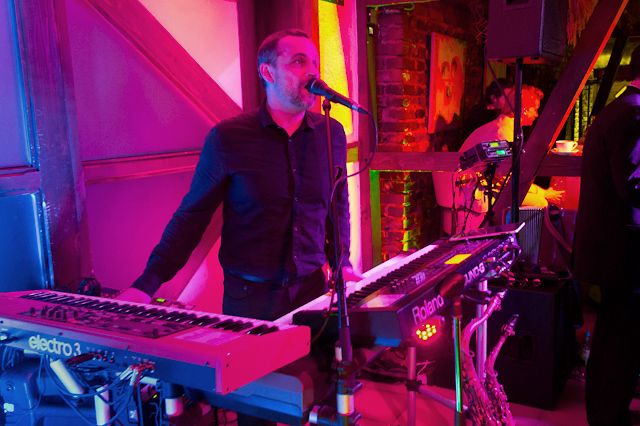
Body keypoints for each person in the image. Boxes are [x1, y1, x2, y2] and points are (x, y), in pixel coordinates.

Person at [118, 29, 360, 426]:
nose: (312, 72)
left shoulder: (330, 133)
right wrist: (148, 283)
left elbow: (337, 205)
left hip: (311, 293)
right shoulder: (228, 138)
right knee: (258, 411)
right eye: (299, 62)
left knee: (315, 402)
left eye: (314, 63)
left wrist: (343, 263)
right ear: (267, 72)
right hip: (251, 300)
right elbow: (192, 216)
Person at [572, 44, 640, 426]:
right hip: (624, 250)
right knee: (623, 339)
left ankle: (602, 413)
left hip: (612, 248)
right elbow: (632, 185)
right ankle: (609, 417)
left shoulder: (619, 109)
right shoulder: (633, 114)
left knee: (612, 333)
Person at [455, 84, 565, 232]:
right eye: (535, 109)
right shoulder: (503, 132)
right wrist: (543, 192)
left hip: (480, 185)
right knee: (539, 202)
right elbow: (506, 178)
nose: (537, 114)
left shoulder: (505, 127)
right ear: (524, 109)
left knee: (536, 199)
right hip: (472, 191)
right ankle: (522, 243)